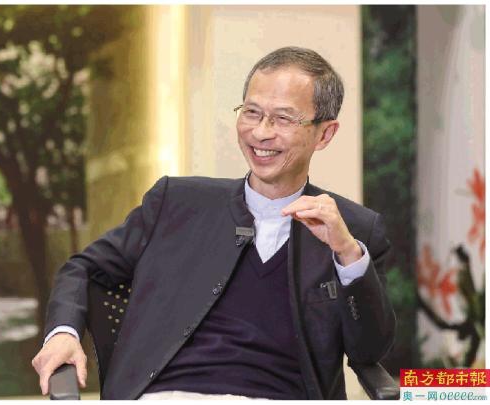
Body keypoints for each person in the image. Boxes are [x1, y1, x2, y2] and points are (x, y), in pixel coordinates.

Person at [32, 46, 396, 400]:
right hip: (168, 396)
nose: (261, 132)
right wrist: (62, 334)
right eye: (252, 112)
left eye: (283, 118)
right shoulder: (177, 202)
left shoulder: (354, 230)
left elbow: (368, 350)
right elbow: (84, 268)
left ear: (325, 134)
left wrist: (347, 253)